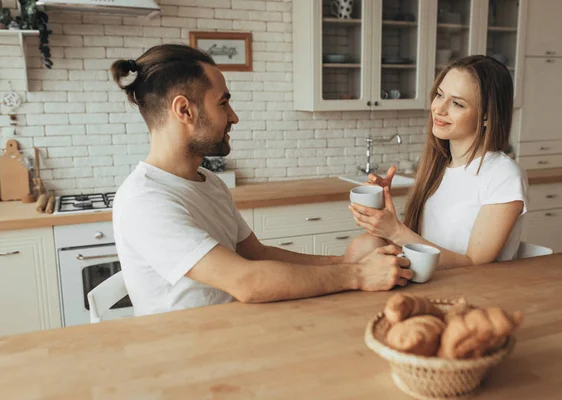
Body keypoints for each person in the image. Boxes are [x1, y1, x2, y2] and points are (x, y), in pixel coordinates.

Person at [110, 44, 413, 316]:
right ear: (184, 110)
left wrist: (344, 262)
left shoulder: (208, 182)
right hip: (189, 356)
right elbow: (248, 281)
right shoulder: (146, 200)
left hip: (238, 330)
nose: (234, 116)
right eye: (223, 103)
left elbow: (257, 255)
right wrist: (358, 275)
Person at [348, 55, 528, 269]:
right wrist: (384, 214)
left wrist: (395, 231)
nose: (439, 109)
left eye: (457, 104)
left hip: (473, 291)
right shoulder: (439, 167)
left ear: (487, 116)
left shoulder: (503, 174)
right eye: (440, 95)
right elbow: (422, 244)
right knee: (365, 245)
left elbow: (475, 265)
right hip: (430, 281)